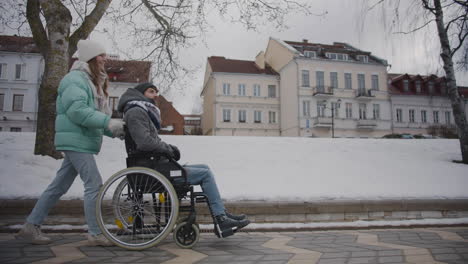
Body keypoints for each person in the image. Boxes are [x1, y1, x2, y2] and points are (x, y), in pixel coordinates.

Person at [16, 39, 125, 246]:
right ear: (91, 58)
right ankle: (94, 233)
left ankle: (31, 226)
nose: (105, 59)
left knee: (59, 186)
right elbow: (78, 112)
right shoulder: (75, 79)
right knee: (93, 183)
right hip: (76, 140)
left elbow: (92, 116)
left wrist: (114, 130)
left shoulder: (89, 81)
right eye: (101, 55)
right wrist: (108, 123)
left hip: (79, 139)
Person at [117, 83, 250, 235]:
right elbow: (145, 142)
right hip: (153, 169)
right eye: (151, 91)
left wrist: (168, 148)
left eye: (156, 92)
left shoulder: (140, 111)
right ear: (140, 93)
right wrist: (169, 149)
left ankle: (222, 214)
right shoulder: (136, 112)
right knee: (205, 175)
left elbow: (149, 141)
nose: (155, 95)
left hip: (153, 164)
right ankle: (220, 218)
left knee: (205, 167)